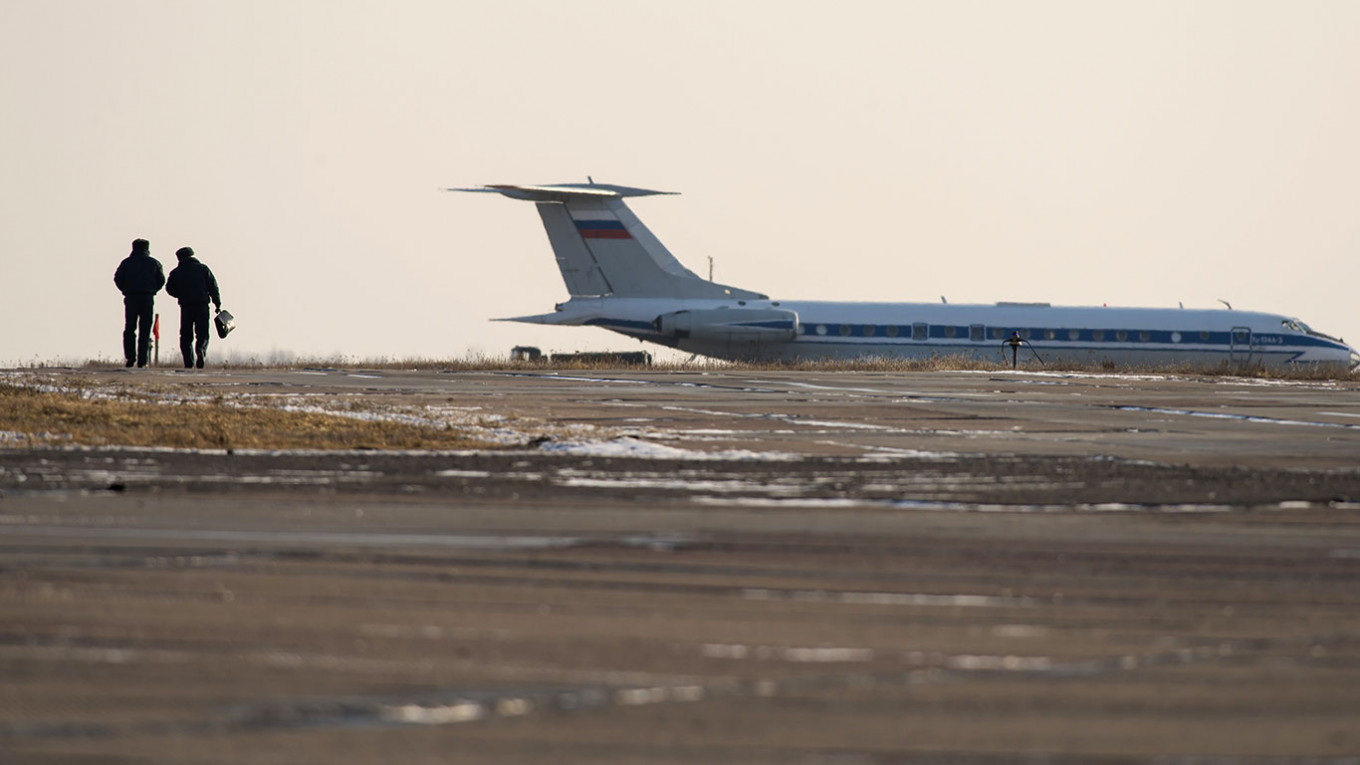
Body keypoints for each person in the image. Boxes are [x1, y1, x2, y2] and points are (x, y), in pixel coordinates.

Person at [165, 246, 221, 369]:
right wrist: (217, 303)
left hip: (186, 306)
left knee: (185, 335)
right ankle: (201, 349)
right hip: (202, 306)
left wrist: (180, 294)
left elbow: (169, 288)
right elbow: (213, 287)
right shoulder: (203, 269)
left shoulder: (176, 272)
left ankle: (188, 363)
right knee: (202, 333)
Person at [113, 238, 165, 368]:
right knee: (145, 330)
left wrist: (125, 289)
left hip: (131, 298)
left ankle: (130, 357)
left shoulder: (126, 263)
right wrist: (152, 289)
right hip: (147, 298)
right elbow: (161, 280)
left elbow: (118, 279)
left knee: (130, 328)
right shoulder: (154, 263)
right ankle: (143, 361)